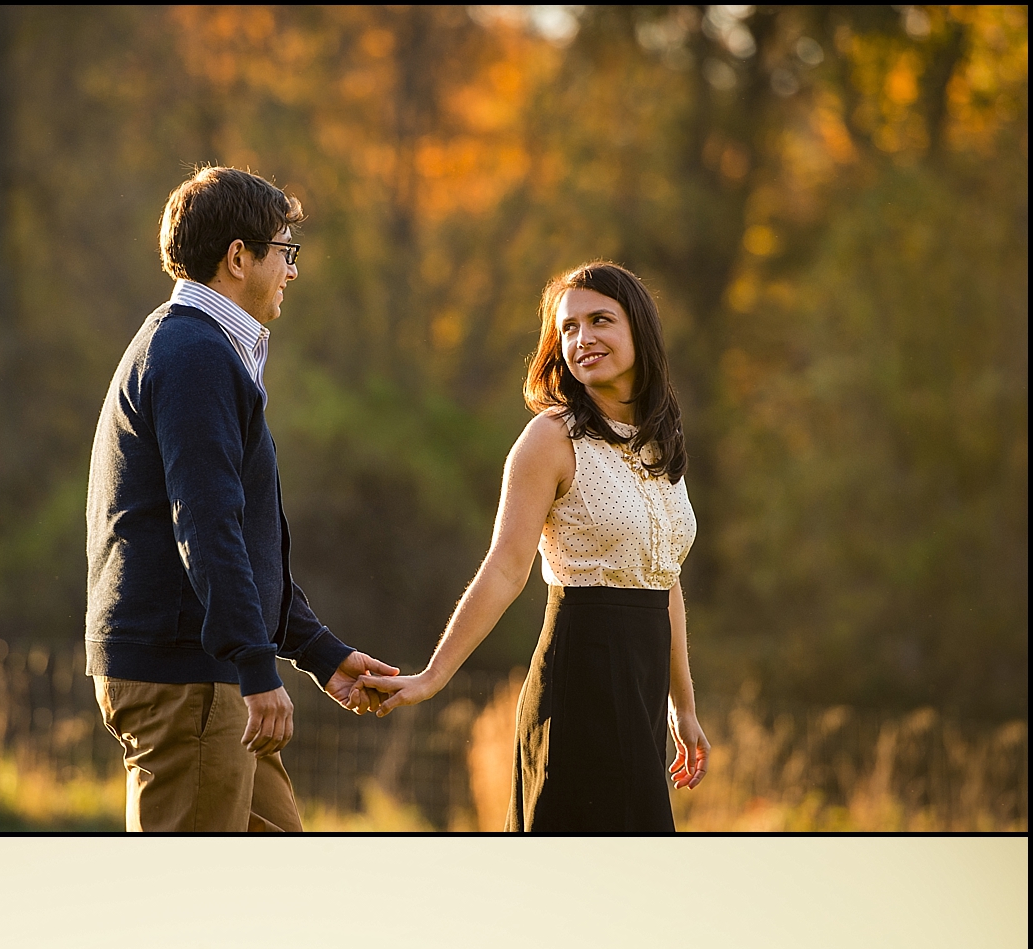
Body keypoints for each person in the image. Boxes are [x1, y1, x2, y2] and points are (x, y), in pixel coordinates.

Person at [85, 165, 397, 832]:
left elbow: (243, 539)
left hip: (206, 674)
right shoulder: (192, 354)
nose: (291, 271)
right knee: (196, 907)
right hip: (188, 680)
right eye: (285, 253)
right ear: (237, 258)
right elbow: (208, 525)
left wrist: (319, 652)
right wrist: (255, 665)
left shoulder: (197, 347)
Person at [355, 263, 710, 833]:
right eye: (568, 328)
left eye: (600, 321)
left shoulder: (660, 444)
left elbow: (663, 578)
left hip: (644, 693)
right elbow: (504, 569)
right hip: (580, 682)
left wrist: (683, 707)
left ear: (640, 332)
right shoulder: (550, 439)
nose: (582, 339)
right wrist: (433, 675)